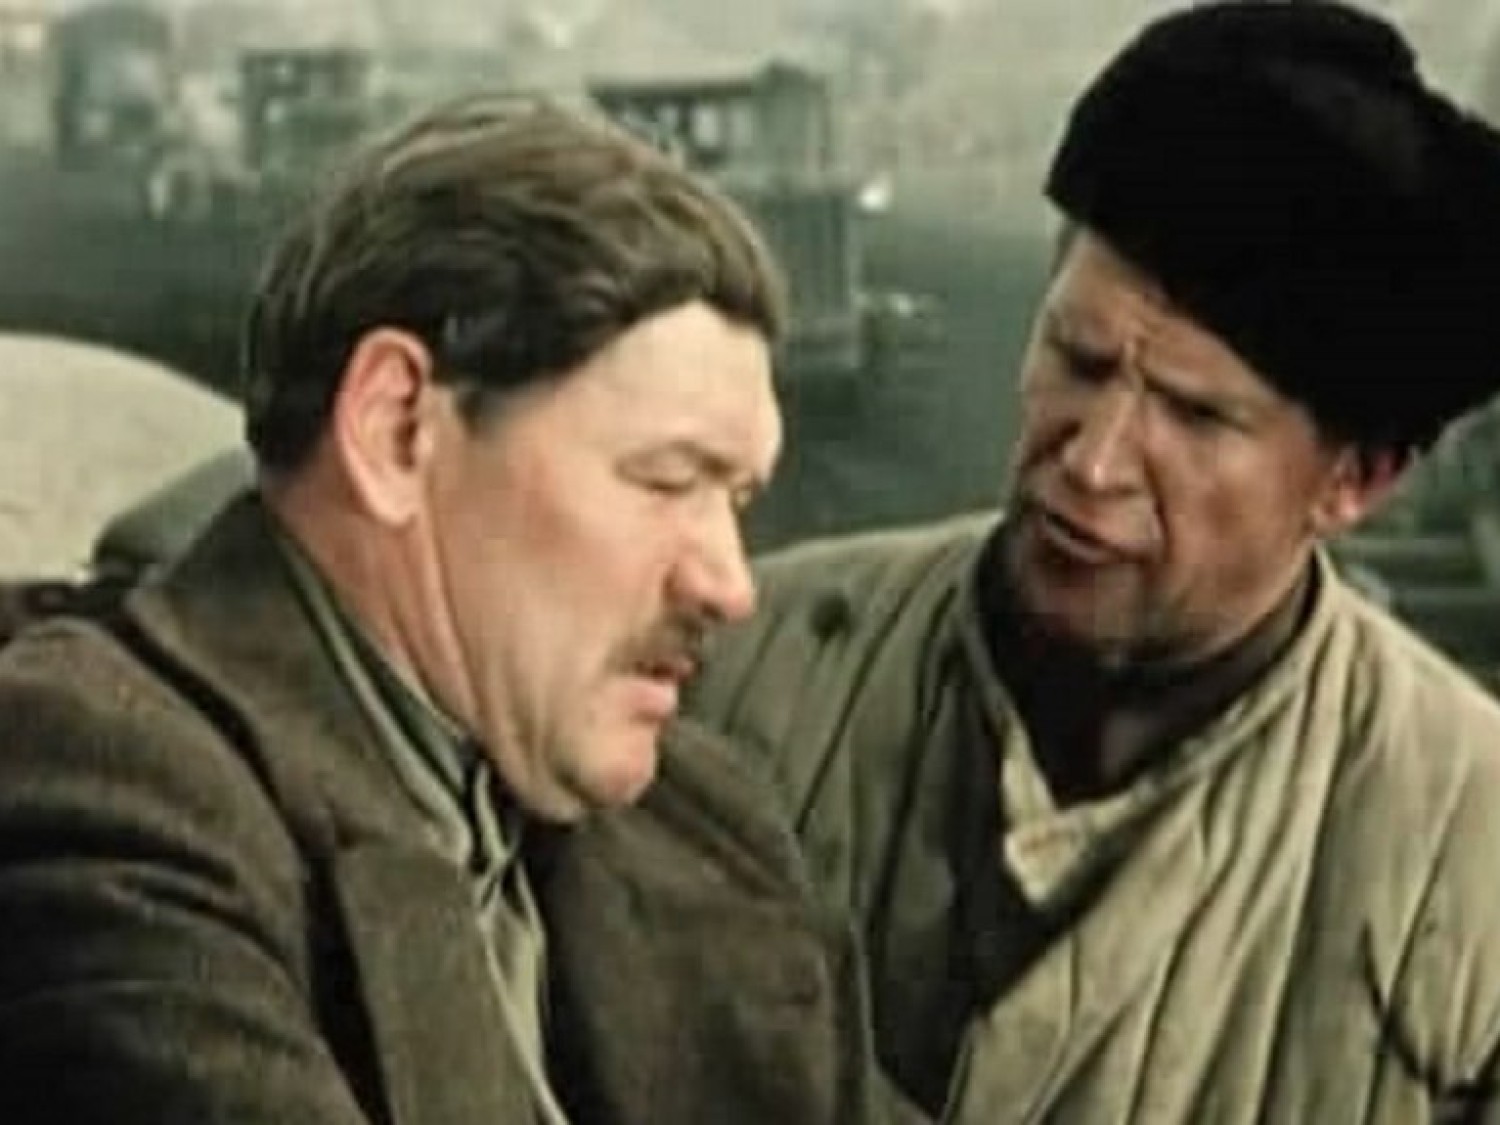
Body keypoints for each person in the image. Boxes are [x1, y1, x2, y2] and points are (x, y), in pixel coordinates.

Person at [0, 95, 918, 1124]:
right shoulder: (95, 787)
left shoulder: (706, 830)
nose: (730, 583)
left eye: (736, 500)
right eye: (666, 481)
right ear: (396, 429)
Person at [684, 2, 1500, 1120]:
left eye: (1196, 416)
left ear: (1354, 481)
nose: (1094, 460)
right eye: (1076, 358)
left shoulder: (1471, 867)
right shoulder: (729, 680)